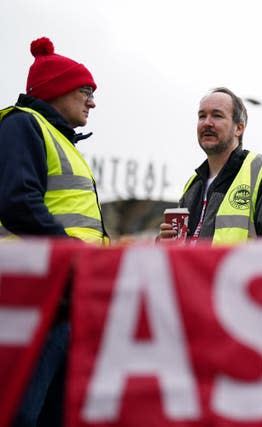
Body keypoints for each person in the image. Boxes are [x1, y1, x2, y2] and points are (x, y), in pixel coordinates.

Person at [0, 37, 108, 427]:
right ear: (55, 90)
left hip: (61, 297)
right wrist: (74, 254)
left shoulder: (57, 138)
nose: (92, 102)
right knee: (21, 412)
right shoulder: (22, 125)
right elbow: (17, 203)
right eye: (85, 91)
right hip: (34, 297)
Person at [157, 87, 262, 244]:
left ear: (239, 128)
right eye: (202, 116)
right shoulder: (193, 185)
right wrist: (163, 244)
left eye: (217, 116)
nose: (207, 123)